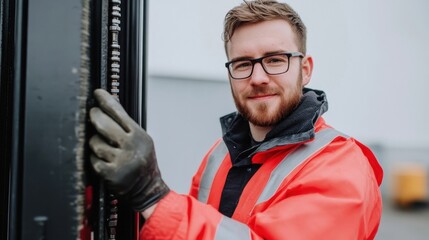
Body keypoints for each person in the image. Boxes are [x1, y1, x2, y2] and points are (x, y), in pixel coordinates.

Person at [89, 0, 383, 239]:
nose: (258, 78)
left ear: (305, 69)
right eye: (243, 64)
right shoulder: (222, 153)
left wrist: (153, 197)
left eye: (275, 60)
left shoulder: (341, 167)